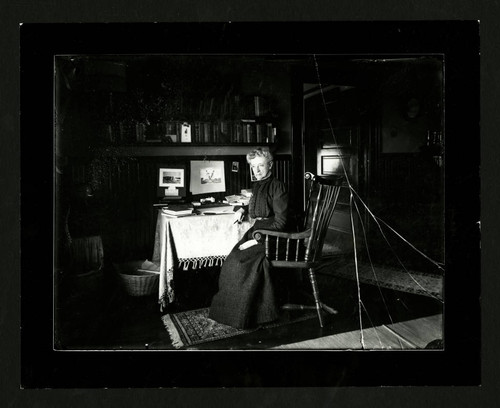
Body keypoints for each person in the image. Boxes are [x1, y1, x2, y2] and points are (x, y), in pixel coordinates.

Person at [209, 148, 288, 329]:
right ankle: (230, 312)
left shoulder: (278, 186)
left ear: (270, 165)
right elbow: (257, 202)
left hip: (273, 236)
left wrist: (257, 240)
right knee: (232, 259)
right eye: (253, 166)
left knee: (240, 263)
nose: (257, 170)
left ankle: (248, 315)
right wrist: (243, 209)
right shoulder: (259, 184)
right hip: (258, 230)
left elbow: (281, 222)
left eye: (261, 165)